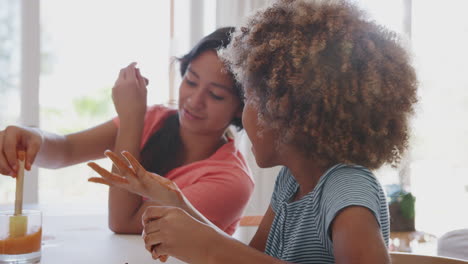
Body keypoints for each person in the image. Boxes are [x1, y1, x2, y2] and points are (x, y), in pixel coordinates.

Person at [88, 0, 419, 263]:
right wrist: (178, 203)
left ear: (286, 112)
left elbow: (231, 257)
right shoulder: (292, 182)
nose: (243, 116)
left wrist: (211, 250)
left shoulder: (347, 193)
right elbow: (251, 259)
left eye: (250, 98)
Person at [0, 27, 254, 236]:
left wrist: (131, 119)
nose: (194, 101)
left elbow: (124, 223)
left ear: (240, 108)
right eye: (190, 81)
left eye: (215, 95)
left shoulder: (232, 181)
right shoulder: (155, 119)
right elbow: (66, 150)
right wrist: (33, 137)